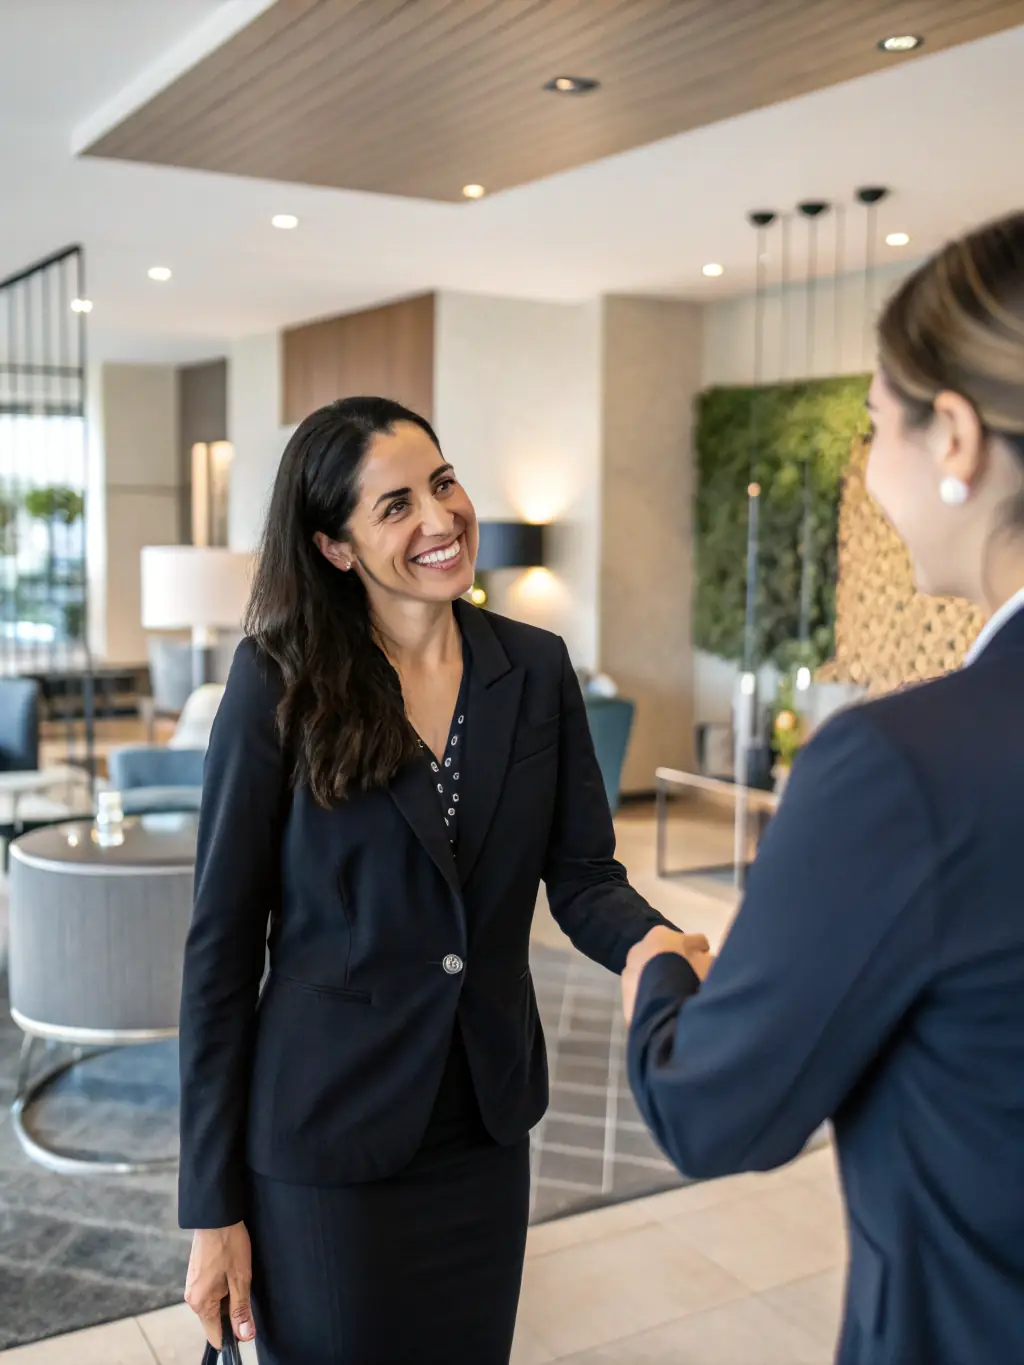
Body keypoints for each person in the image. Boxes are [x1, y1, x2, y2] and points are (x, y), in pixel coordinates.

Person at [178, 396, 692, 1365]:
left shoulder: (534, 670)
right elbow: (219, 952)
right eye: (396, 505)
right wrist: (211, 1209)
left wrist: (649, 941)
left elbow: (582, 875)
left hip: (482, 1132)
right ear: (335, 548)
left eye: (444, 483)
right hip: (325, 1145)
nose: (440, 518)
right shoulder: (277, 682)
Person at [624, 210, 1024, 1365]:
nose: (869, 471)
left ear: (953, 435)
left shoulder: (902, 767)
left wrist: (660, 975)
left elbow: (715, 1110)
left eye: (870, 427)